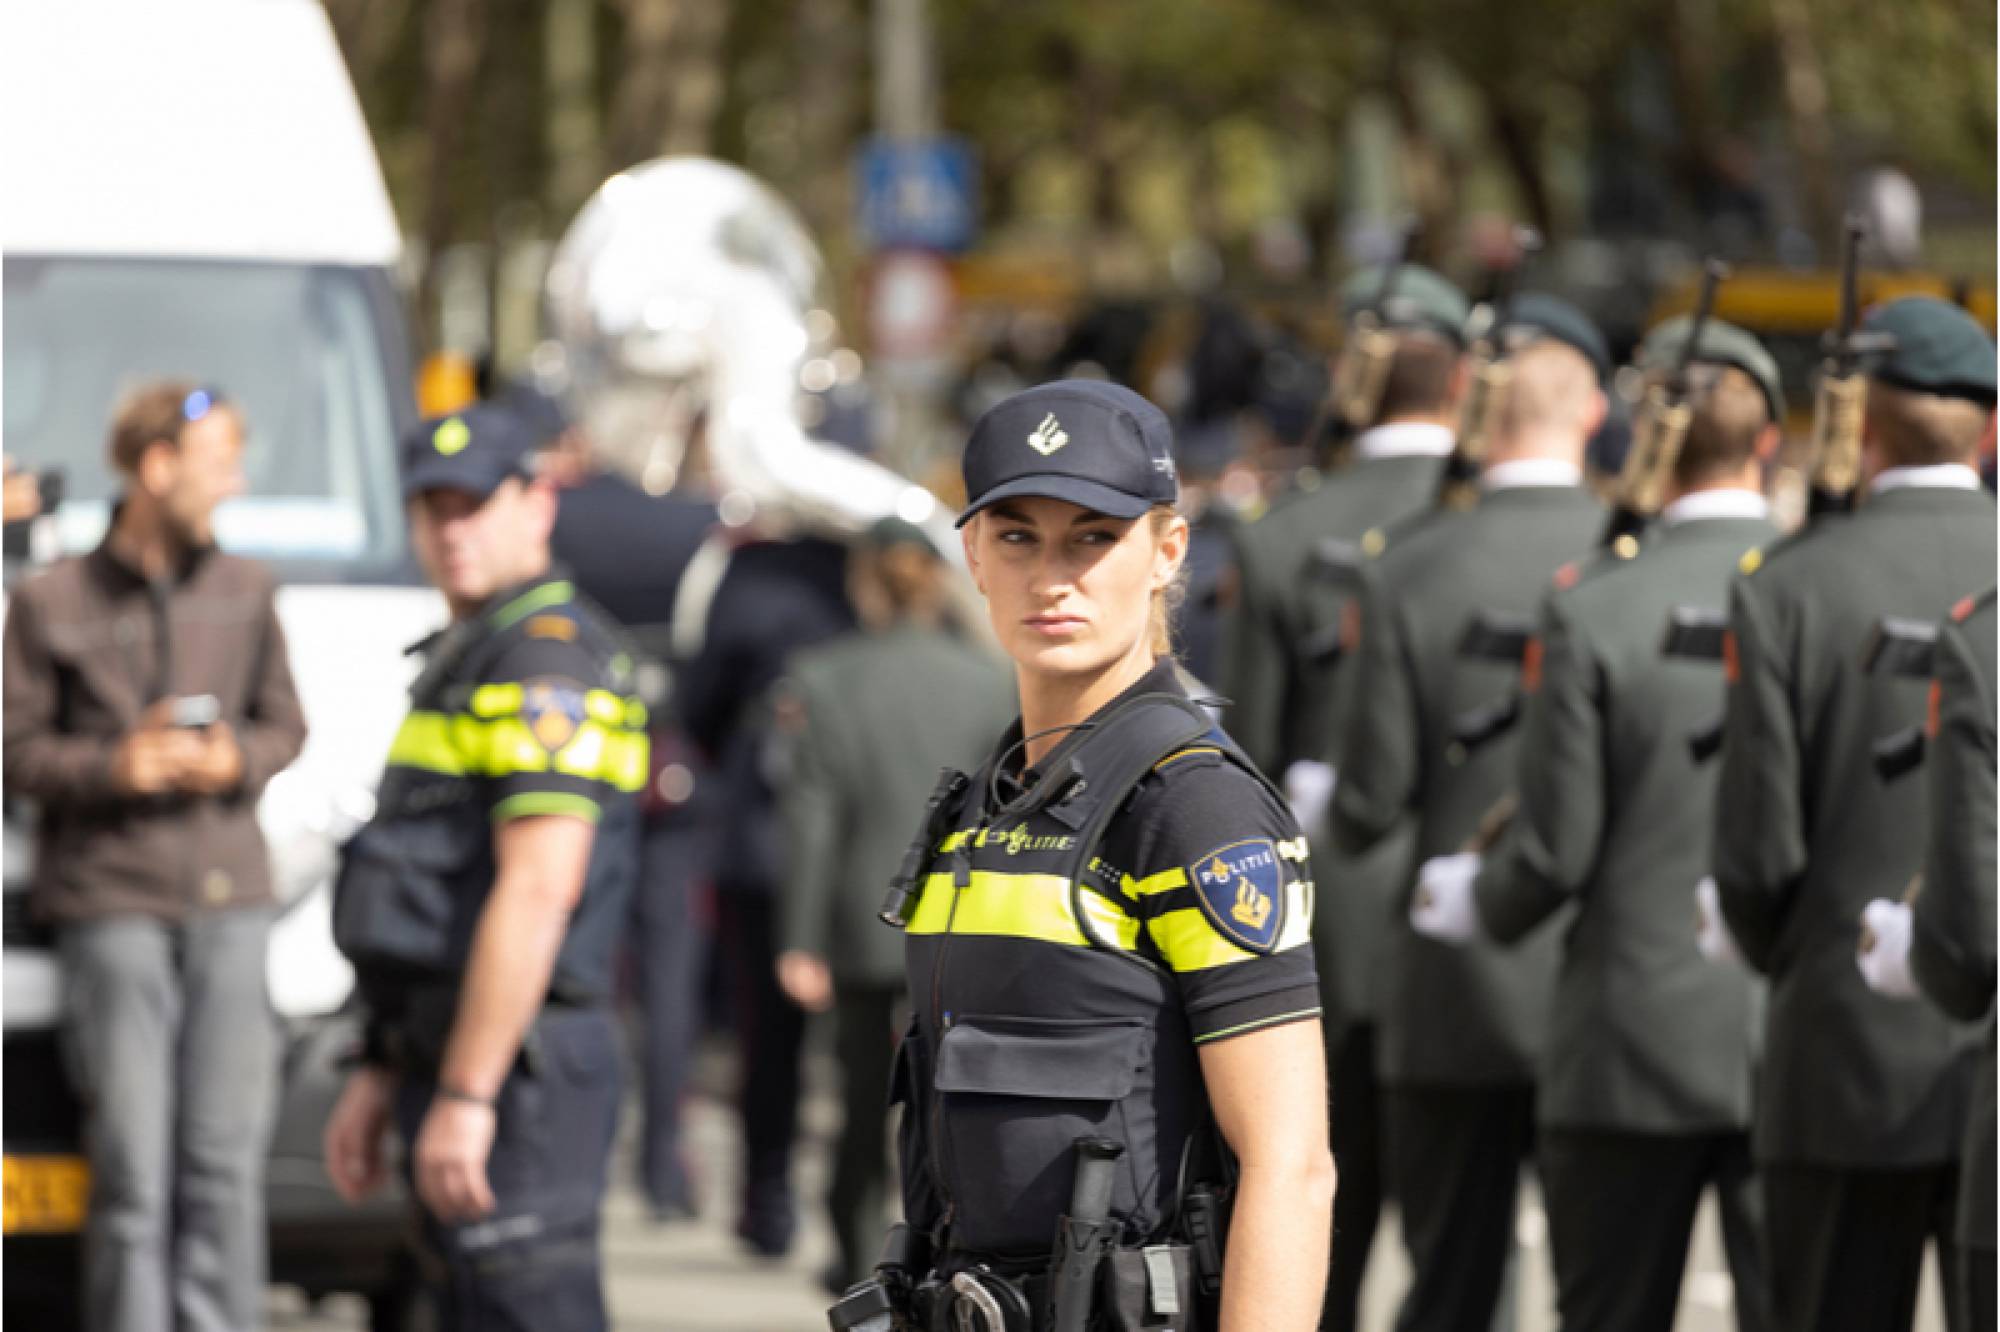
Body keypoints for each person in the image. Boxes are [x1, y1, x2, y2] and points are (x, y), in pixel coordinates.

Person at [858, 380, 1335, 1330]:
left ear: (1166, 552)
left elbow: (1292, 1164)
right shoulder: (989, 800)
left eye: (1092, 537)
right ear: (973, 558)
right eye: (1018, 537)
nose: (1052, 577)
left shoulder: (1192, 805)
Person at [1410, 319, 1785, 1332]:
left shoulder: (1596, 601)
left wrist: (1474, 900)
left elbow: (1551, 847)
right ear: (1769, 439)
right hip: (1778, 1042)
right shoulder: (1811, 584)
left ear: (1644, 436)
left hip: (1625, 1048)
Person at [321, 403, 649, 1330]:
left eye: (474, 504)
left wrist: (468, 1094)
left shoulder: (545, 664)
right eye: (433, 508)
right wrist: (385, 1067)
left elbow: (538, 889)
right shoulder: (471, 653)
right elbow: (427, 895)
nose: (451, 530)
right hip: (462, 1050)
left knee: (521, 1305)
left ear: (535, 505)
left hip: (522, 1070)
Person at [1709, 296, 1996, 1332]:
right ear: (1989, 427)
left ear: (1858, 426)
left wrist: (1785, 948)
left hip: (1839, 1059)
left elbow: (1753, 858)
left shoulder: (1786, 586)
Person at [2, 380, 307, 1331]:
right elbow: (16, 752)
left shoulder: (248, 589)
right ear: (155, 466)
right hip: (111, 902)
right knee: (134, 1169)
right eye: (219, 463)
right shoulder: (51, 600)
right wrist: (114, 765)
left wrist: (234, 757)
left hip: (231, 900)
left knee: (223, 1164)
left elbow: (285, 725)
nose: (235, 483)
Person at [1330, 302, 1609, 1332]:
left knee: (1448, 1282)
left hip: (1446, 983)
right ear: (1589, 415)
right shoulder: (1625, 554)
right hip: (1586, 976)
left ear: (1482, 419)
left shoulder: (1406, 567)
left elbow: (1366, 805)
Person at [771, 516, 1014, 1294]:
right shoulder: (991, 678)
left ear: (866, 579)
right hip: (962, 928)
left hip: (860, 927)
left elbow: (814, 820)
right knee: (953, 1105)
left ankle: (854, 1255)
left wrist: (799, 938)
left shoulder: (825, 674)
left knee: (857, 1099)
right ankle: (947, 1255)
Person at [508, 381, 721, 1221]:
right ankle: (664, 1168)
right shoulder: (688, 521)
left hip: (564, 770)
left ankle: (575, 1161)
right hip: (671, 770)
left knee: (576, 969)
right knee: (670, 986)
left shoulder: (547, 520)